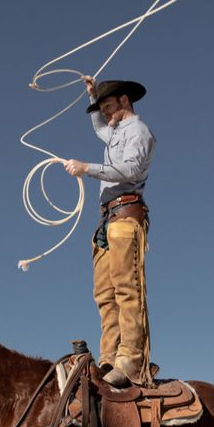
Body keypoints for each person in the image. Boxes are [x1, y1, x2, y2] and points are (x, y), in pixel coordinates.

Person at [64, 77, 156, 388]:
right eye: (101, 108)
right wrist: (91, 95)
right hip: (108, 219)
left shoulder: (140, 133)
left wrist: (86, 168)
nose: (104, 114)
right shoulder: (115, 132)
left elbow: (130, 170)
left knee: (127, 290)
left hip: (126, 217)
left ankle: (130, 361)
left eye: (108, 106)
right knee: (105, 294)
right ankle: (109, 358)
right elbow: (101, 129)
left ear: (125, 102)